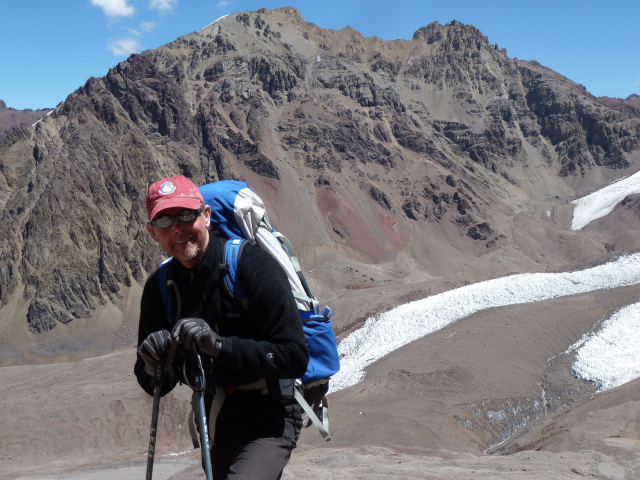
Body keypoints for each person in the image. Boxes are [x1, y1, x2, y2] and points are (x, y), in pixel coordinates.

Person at [134, 175, 309, 480]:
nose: (178, 227)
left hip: (271, 410)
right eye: (164, 220)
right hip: (218, 416)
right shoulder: (158, 289)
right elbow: (159, 384)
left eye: (187, 215)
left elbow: (294, 355)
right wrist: (153, 363)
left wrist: (221, 346)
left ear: (206, 215)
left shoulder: (251, 265)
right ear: (152, 232)